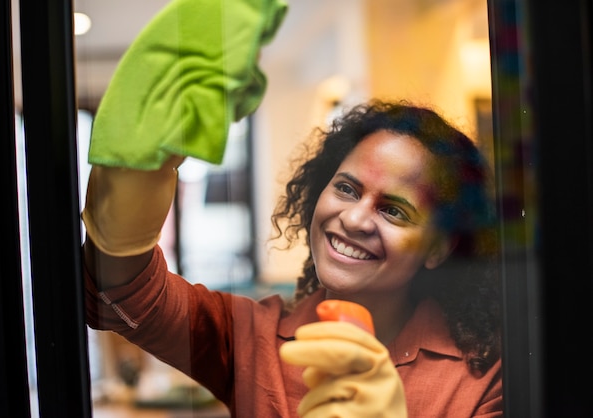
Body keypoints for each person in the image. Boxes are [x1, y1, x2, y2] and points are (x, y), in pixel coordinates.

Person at [81, 1, 502, 416]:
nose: (354, 219)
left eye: (394, 211)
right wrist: (136, 170)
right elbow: (123, 296)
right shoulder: (248, 337)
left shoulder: (485, 377)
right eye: (347, 189)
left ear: (438, 248)